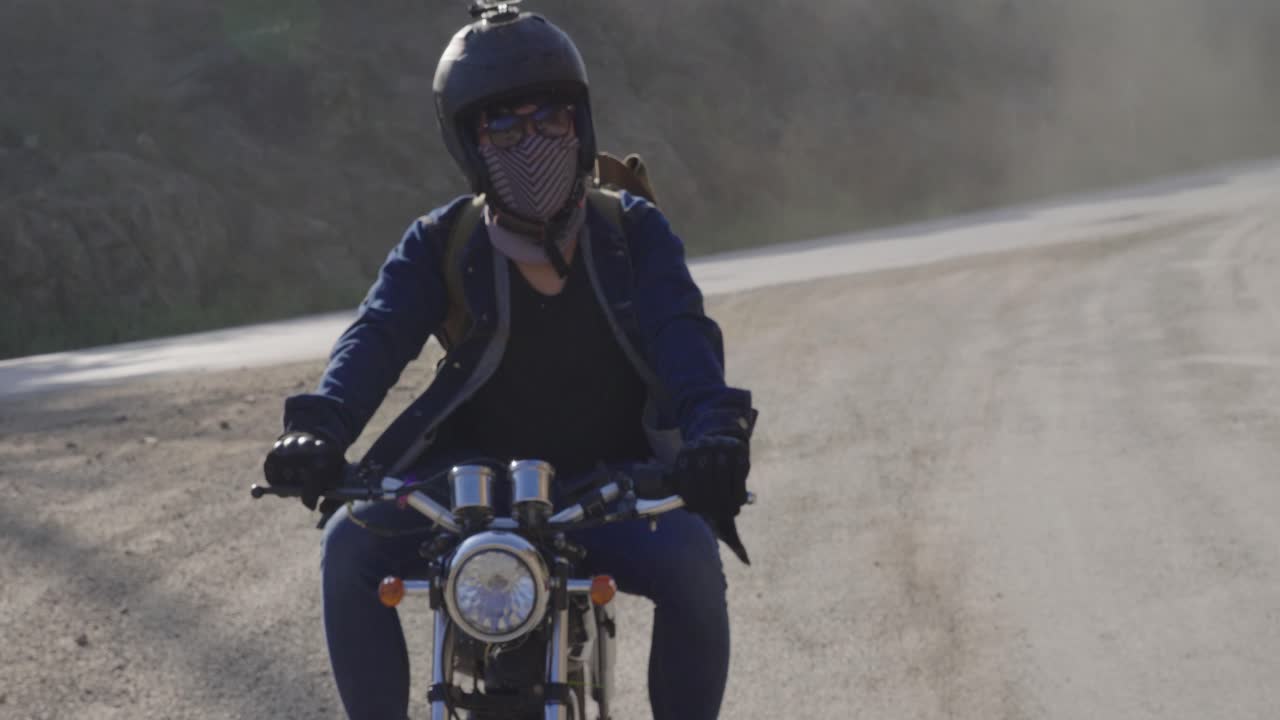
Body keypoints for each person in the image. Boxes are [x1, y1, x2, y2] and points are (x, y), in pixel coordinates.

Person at [262, 7, 757, 720]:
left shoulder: (633, 232)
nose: (532, 141)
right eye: (503, 126)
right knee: (349, 546)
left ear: (581, 124)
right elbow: (374, 337)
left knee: (692, 561)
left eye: (550, 117)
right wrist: (318, 428)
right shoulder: (439, 242)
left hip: (611, 490)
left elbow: (685, 339)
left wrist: (716, 432)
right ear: (470, 144)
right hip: (467, 492)